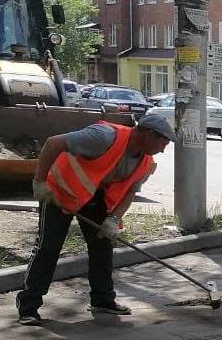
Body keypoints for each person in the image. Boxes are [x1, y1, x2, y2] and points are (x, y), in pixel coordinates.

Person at [16, 113, 177, 325]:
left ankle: (103, 300)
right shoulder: (103, 136)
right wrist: (39, 182)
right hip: (57, 191)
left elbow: (129, 192)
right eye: (162, 143)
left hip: (91, 196)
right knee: (49, 247)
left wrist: (113, 219)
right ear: (148, 134)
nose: (163, 149)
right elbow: (53, 143)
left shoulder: (145, 162)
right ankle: (28, 305)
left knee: (102, 244)